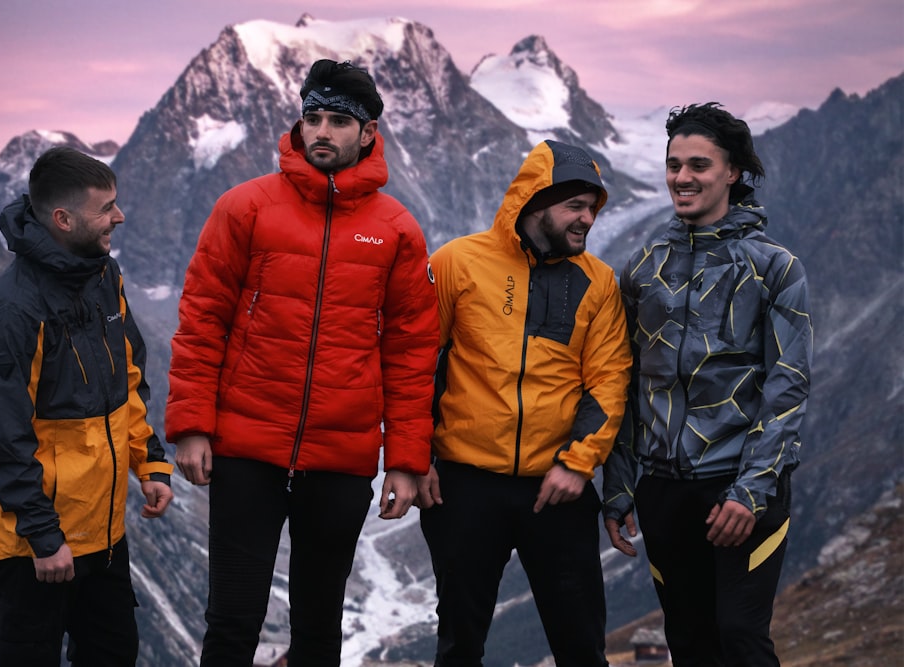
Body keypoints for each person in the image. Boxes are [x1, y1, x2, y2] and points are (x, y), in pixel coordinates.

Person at [165, 59, 439, 665]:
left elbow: (411, 352)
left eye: (338, 120)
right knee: (232, 619)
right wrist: (190, 426)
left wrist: (406, 461)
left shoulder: (397, 230)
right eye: (311, 117)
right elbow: (202, 317)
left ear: (368, 132)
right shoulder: (245, 207)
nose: (321, 131)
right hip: (245, 448)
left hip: (340, 458)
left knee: (318, 629)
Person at [602, 102, 812, 666]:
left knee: (740, 637)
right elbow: (624, 385)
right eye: (674, 164)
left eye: (699, 165)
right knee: (689, 642)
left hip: (741, 488)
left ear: (732, 173)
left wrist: (750, 490)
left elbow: (788, 386)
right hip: (663, 490)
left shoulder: (775, 268)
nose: (682, 178)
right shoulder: (641, 267)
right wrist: (619, 486)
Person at [416, 140, 632, 666]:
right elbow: (413, 364)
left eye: (593, 207)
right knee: (460, 644)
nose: (587, 218)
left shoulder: (598, 283)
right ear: (535, 203)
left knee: (582, 646)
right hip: (464, 487)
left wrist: (578, 464)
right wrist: (413, 457)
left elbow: (609, 380)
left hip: (558, 487)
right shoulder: (456, 263)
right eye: (574, 206)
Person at [0, 146, 175, 666]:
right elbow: (6, 438)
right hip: (38, 546)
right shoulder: (11, 311)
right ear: (63, 218)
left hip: (104, 535)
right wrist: (42, 535)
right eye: (106, 208)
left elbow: (127, 383)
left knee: (113, 655)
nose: (119, 217)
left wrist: (148, 461)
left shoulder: (106, 278)